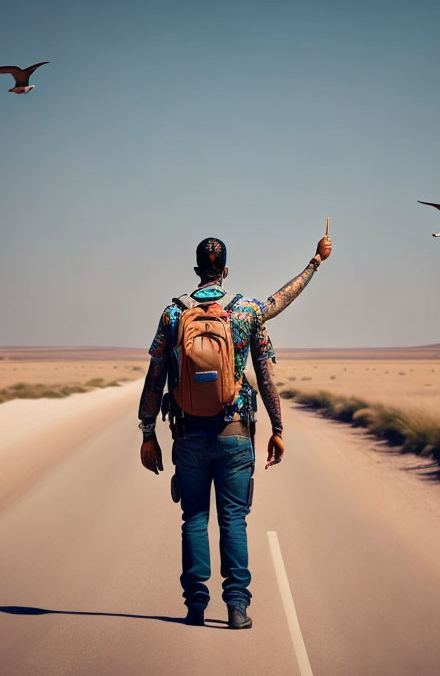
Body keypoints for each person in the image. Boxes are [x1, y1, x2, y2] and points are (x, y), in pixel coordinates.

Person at [137, 234, 332, 629]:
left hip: (188, 435)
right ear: (225, 271)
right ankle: (237, 607)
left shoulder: (173, 315)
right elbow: (266, 371)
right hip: (236, 434)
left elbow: (154, 378)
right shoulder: (245, 312)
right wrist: (315, 262)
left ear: (197, 270)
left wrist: (147, 432)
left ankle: (195, 605)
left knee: (193, 517)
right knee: (233, 520)